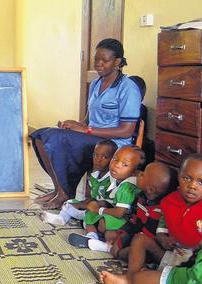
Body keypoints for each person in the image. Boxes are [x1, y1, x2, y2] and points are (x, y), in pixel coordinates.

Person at [31, 38, 142, 209]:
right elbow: (88, 120)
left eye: (104, 60)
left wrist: (87, 130)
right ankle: (58, 188)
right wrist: (75, 124)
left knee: (57, 139)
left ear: (117, 62)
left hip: (113, 143)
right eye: (96, 59)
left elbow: (126, 131)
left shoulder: (128, 88)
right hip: (92, 136)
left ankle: (65, 193)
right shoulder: (96, 84)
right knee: (39, 135)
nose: (98, 64)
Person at [101, 154, 202, 284]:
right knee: (139, 240)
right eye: (187, 178)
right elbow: (163, 220)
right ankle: (131, 279)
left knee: (158, 279)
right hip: (170, 254)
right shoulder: (171, 200)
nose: (192, 186)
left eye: (201, 182)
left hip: (190, 265)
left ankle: (147, 279)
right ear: (179, 176)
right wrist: (162, 237)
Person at [75, 162, 177, 255]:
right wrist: (121, 237)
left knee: (126, 252)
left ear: (150, 189)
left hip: (143, 240)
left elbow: (145, 234)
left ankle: (108, 248)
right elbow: (133, 223)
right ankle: (107, 244)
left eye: (143, 175)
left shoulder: (157, 211)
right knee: (110, 235)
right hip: (134, 231)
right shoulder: (142, 198)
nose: (139, 174)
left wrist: (121, 241)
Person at [69, 145, 144, 246]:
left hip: (129, 222)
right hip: (118, 218)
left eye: (125, 164)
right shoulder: (116, 179)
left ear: (134, 172)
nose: (116, 165)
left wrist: (98, 210)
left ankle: (105, 247)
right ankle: (91, 237)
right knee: (90, 215)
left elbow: (119, 213)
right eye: (115, 159)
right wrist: (97, 205)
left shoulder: (127, 187)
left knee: (108, 231)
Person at [41, 139, 117, 225]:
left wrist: (85, 205)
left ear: (113, 160)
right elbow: (81, 195)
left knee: (95, 215)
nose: (98, 160)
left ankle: (82, 217)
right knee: (68, 203)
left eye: (105, 157)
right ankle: (62, 218)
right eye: (96, 155)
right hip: (91, 205)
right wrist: (81, 203)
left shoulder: (113, 178)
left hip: (103, 209)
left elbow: (109, 204)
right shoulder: (93, 174)